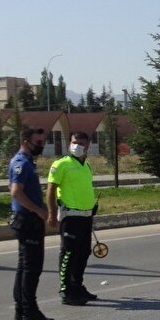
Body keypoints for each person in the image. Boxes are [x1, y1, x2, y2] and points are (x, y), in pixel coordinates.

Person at [8, 128, 56, 320]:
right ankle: (30, 312)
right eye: (38, 142)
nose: (41, 145)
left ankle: (21, 310)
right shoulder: (21, 162)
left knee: (24, 267)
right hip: (28, 220)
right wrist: (39, 211)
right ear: (26, 141)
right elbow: (16, 192)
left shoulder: (25, 162)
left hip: (26, 218)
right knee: (31, 268)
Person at [46, 131, 99, 306]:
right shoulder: (61, 164)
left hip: (85, 216)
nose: (76, 146)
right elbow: (51, 189)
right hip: (70, 217)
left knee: (83, 253)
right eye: (74, 142)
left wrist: (91, 208)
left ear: (88, 145)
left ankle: (77, 286)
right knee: (69, 253)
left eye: (80, 143)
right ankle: (66, 290)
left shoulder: (86, 165)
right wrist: (52, 214)